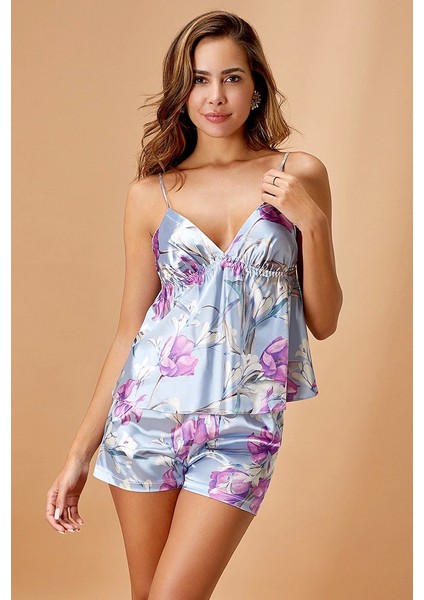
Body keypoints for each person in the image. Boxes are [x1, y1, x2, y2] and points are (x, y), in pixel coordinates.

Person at [45, 10, 343, 600]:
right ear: (182, 93)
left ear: (256, 86)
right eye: (200, 80)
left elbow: (325, 320)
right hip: (144, 423)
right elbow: (130, 331)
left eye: (231, 78)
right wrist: (79, 454)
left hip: (240, 428)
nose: (216, 96)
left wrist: (311, 222)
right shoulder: (150, 194)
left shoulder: (299, 174)